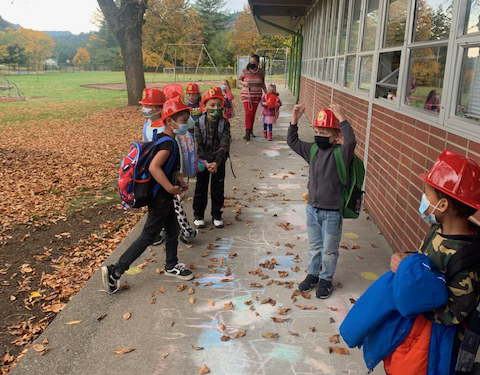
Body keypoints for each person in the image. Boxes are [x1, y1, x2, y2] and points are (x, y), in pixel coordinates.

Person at [385, 150, 480, 374]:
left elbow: (453, 314)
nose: (423, 198)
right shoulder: (437, 229)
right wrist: (406, 260)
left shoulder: (467, 258)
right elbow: (425, 259)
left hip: (439, 346)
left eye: (427, 193)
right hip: (416, 332)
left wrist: (409, 281)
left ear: (443, 205)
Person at [101, 97, 195, 294]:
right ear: (169, 121)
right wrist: (170, 188)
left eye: (187, 119)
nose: (186, 123)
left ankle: (171, 265)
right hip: (161, 198)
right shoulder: (168, 143)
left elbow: (167, 168)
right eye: (183, 119)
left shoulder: (164, 139)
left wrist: (177, 181)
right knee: (148, 235)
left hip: (163, 197)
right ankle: (116, 270)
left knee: (172, 230)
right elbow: (154, 167)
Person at [288, 104, 357, 299]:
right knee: (315, 246)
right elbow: (292, 142)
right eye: (317, 131)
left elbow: (351, 142)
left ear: (336, 136)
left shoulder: (341, 154)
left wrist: (341, 117)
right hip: (312, 210)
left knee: (329, 249)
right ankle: (313, 274)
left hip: (333, 212)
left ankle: (326, 278)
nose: (319, 135)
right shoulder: (312, 150)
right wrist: (294, 119)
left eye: (324, 132)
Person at [193, 87, 231, 229]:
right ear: (204, 106)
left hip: (218, 161)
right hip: (203, 161)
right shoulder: (199, 123)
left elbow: (224, 144)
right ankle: (198, 214)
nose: (216, 108)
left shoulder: (225, 123)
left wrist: (216, 162)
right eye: (212, 105)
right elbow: (198, 144)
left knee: (217, 188)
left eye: (219, 105)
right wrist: (206, 162)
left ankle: (216, 214)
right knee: (200, 187)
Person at [238, 54, 266, 141]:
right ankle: (247, 132)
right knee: (248, 113)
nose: (251, 63)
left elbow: (262, 83)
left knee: (252, 113)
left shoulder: (261, 72)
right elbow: (239, 80)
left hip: (256, 95)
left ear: (257, 63)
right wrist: (244, 83)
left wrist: (267, 94)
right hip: (247, 95)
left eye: (253, 62)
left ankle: (250, 130)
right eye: (250, 62)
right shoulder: (245, 70)